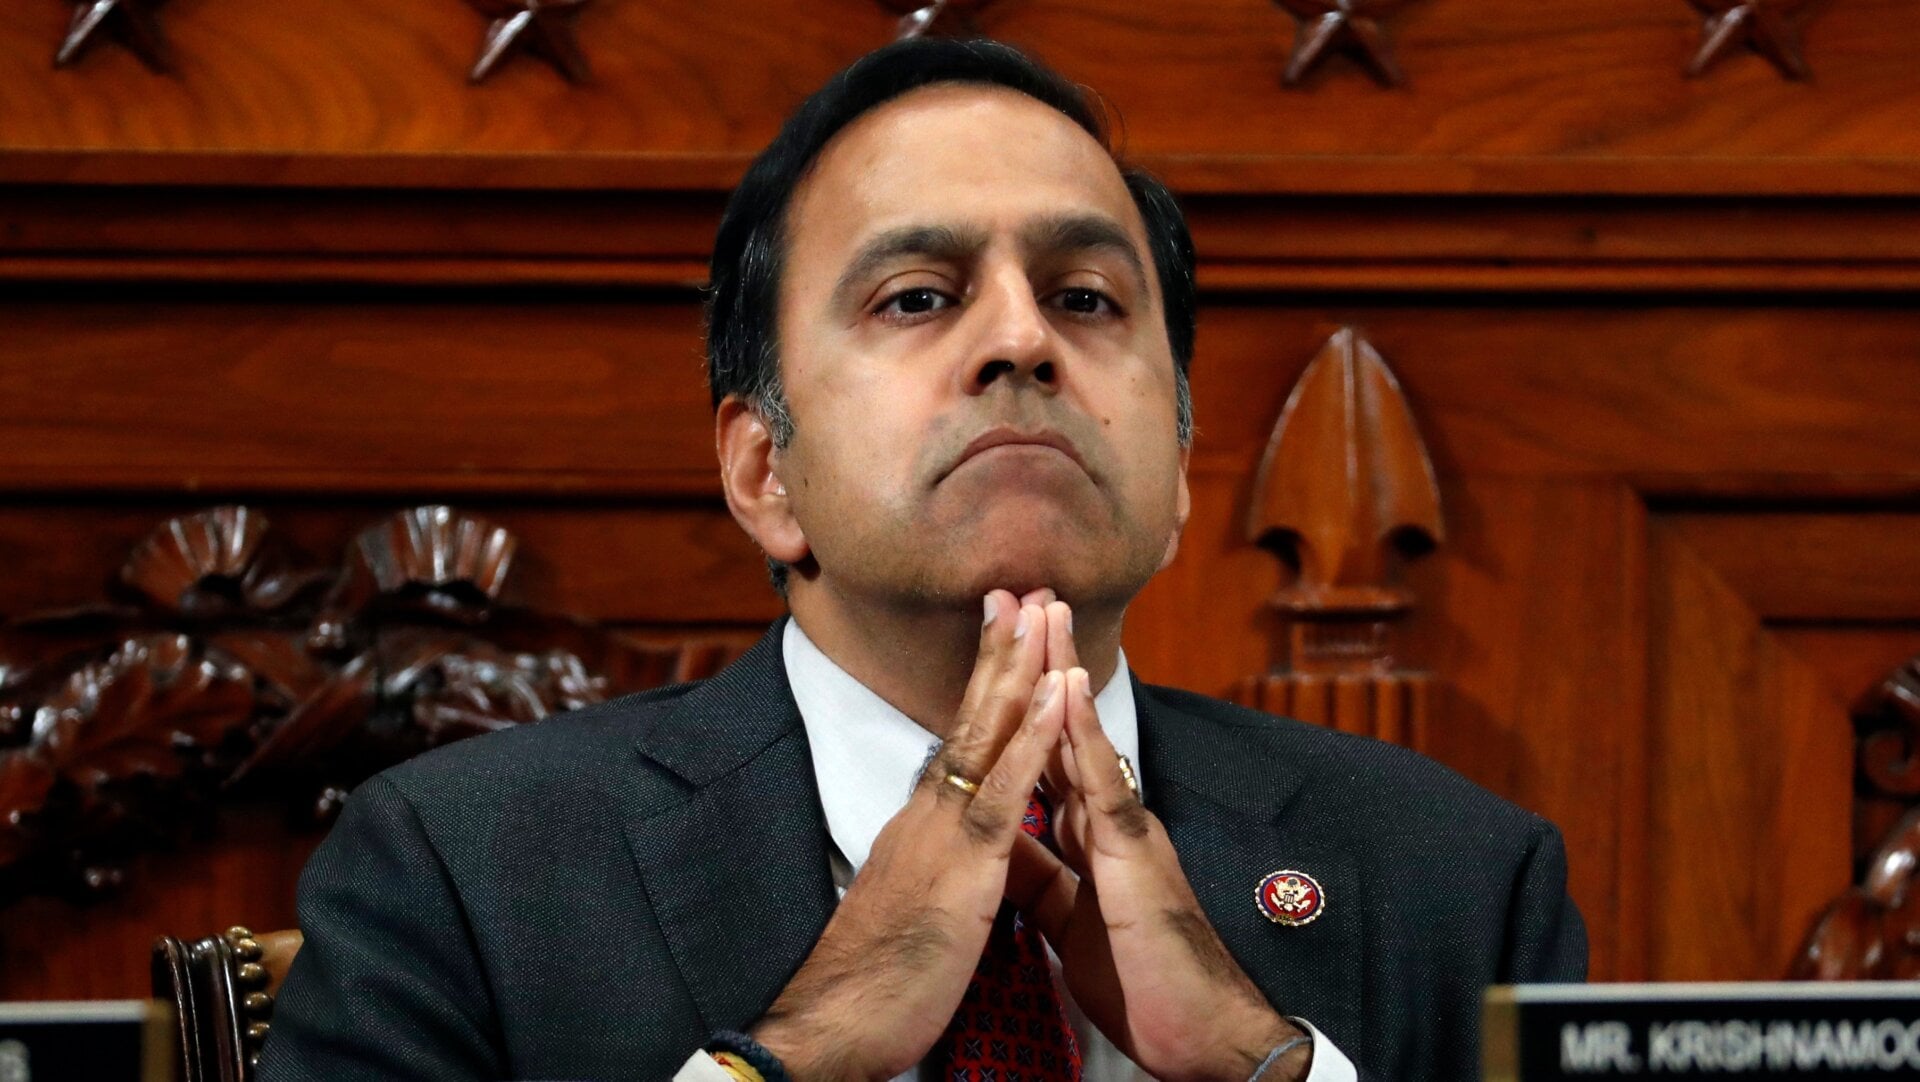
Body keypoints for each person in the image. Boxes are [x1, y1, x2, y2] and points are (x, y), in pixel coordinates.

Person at [257, 37, 1584, 1082]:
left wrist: (1264, 1064)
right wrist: (795, 1050)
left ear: (1180, 471)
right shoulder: (459, 871)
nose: (1021, 340)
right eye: (919, 297)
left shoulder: (1458, 882)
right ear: (764, 473)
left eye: (1084, 297)